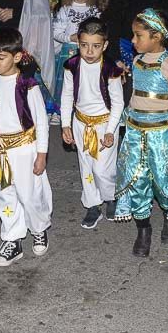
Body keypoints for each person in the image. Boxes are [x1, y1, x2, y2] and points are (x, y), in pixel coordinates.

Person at [113, 8, 168, 257]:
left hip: (162, 135)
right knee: (137, 181)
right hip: (135, 132)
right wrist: (124, 123)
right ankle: (143, 229)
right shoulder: (137, 61)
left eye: (138, 36)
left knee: (163, 181)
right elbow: (134, 96)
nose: (133, 41)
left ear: (156, 36)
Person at [0, 27, 53, 267]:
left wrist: (41, 154)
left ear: (17, 57)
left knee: (30, 195)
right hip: (0, 150)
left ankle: (39, 228)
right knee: (6, 194)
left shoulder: (27, 85)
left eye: (1, 57)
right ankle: (12, 240)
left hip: (25, 148)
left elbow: (41, 121)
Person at [60, 18, 124, 230]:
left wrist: (110, 130)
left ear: (104, 45)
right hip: (80, 123)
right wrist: (65, 124)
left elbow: (118, 102)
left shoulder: (110, 69)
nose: (89, 51)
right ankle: (92, 205)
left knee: (102, 169)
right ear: (78, 42)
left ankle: (111, 196)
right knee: (86, 166)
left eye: (96, 46)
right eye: (84, 45)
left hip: (104, 124)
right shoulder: (71, 66)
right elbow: (67, 95)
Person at [51, 0, 100, 109]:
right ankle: (58, 110)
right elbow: (55, 32)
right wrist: (69, 38)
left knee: (85, 82)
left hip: (89, 53)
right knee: (65, 83)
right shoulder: (65, 10)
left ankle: (82, 109)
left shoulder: (94, 11)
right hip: (69, 51)